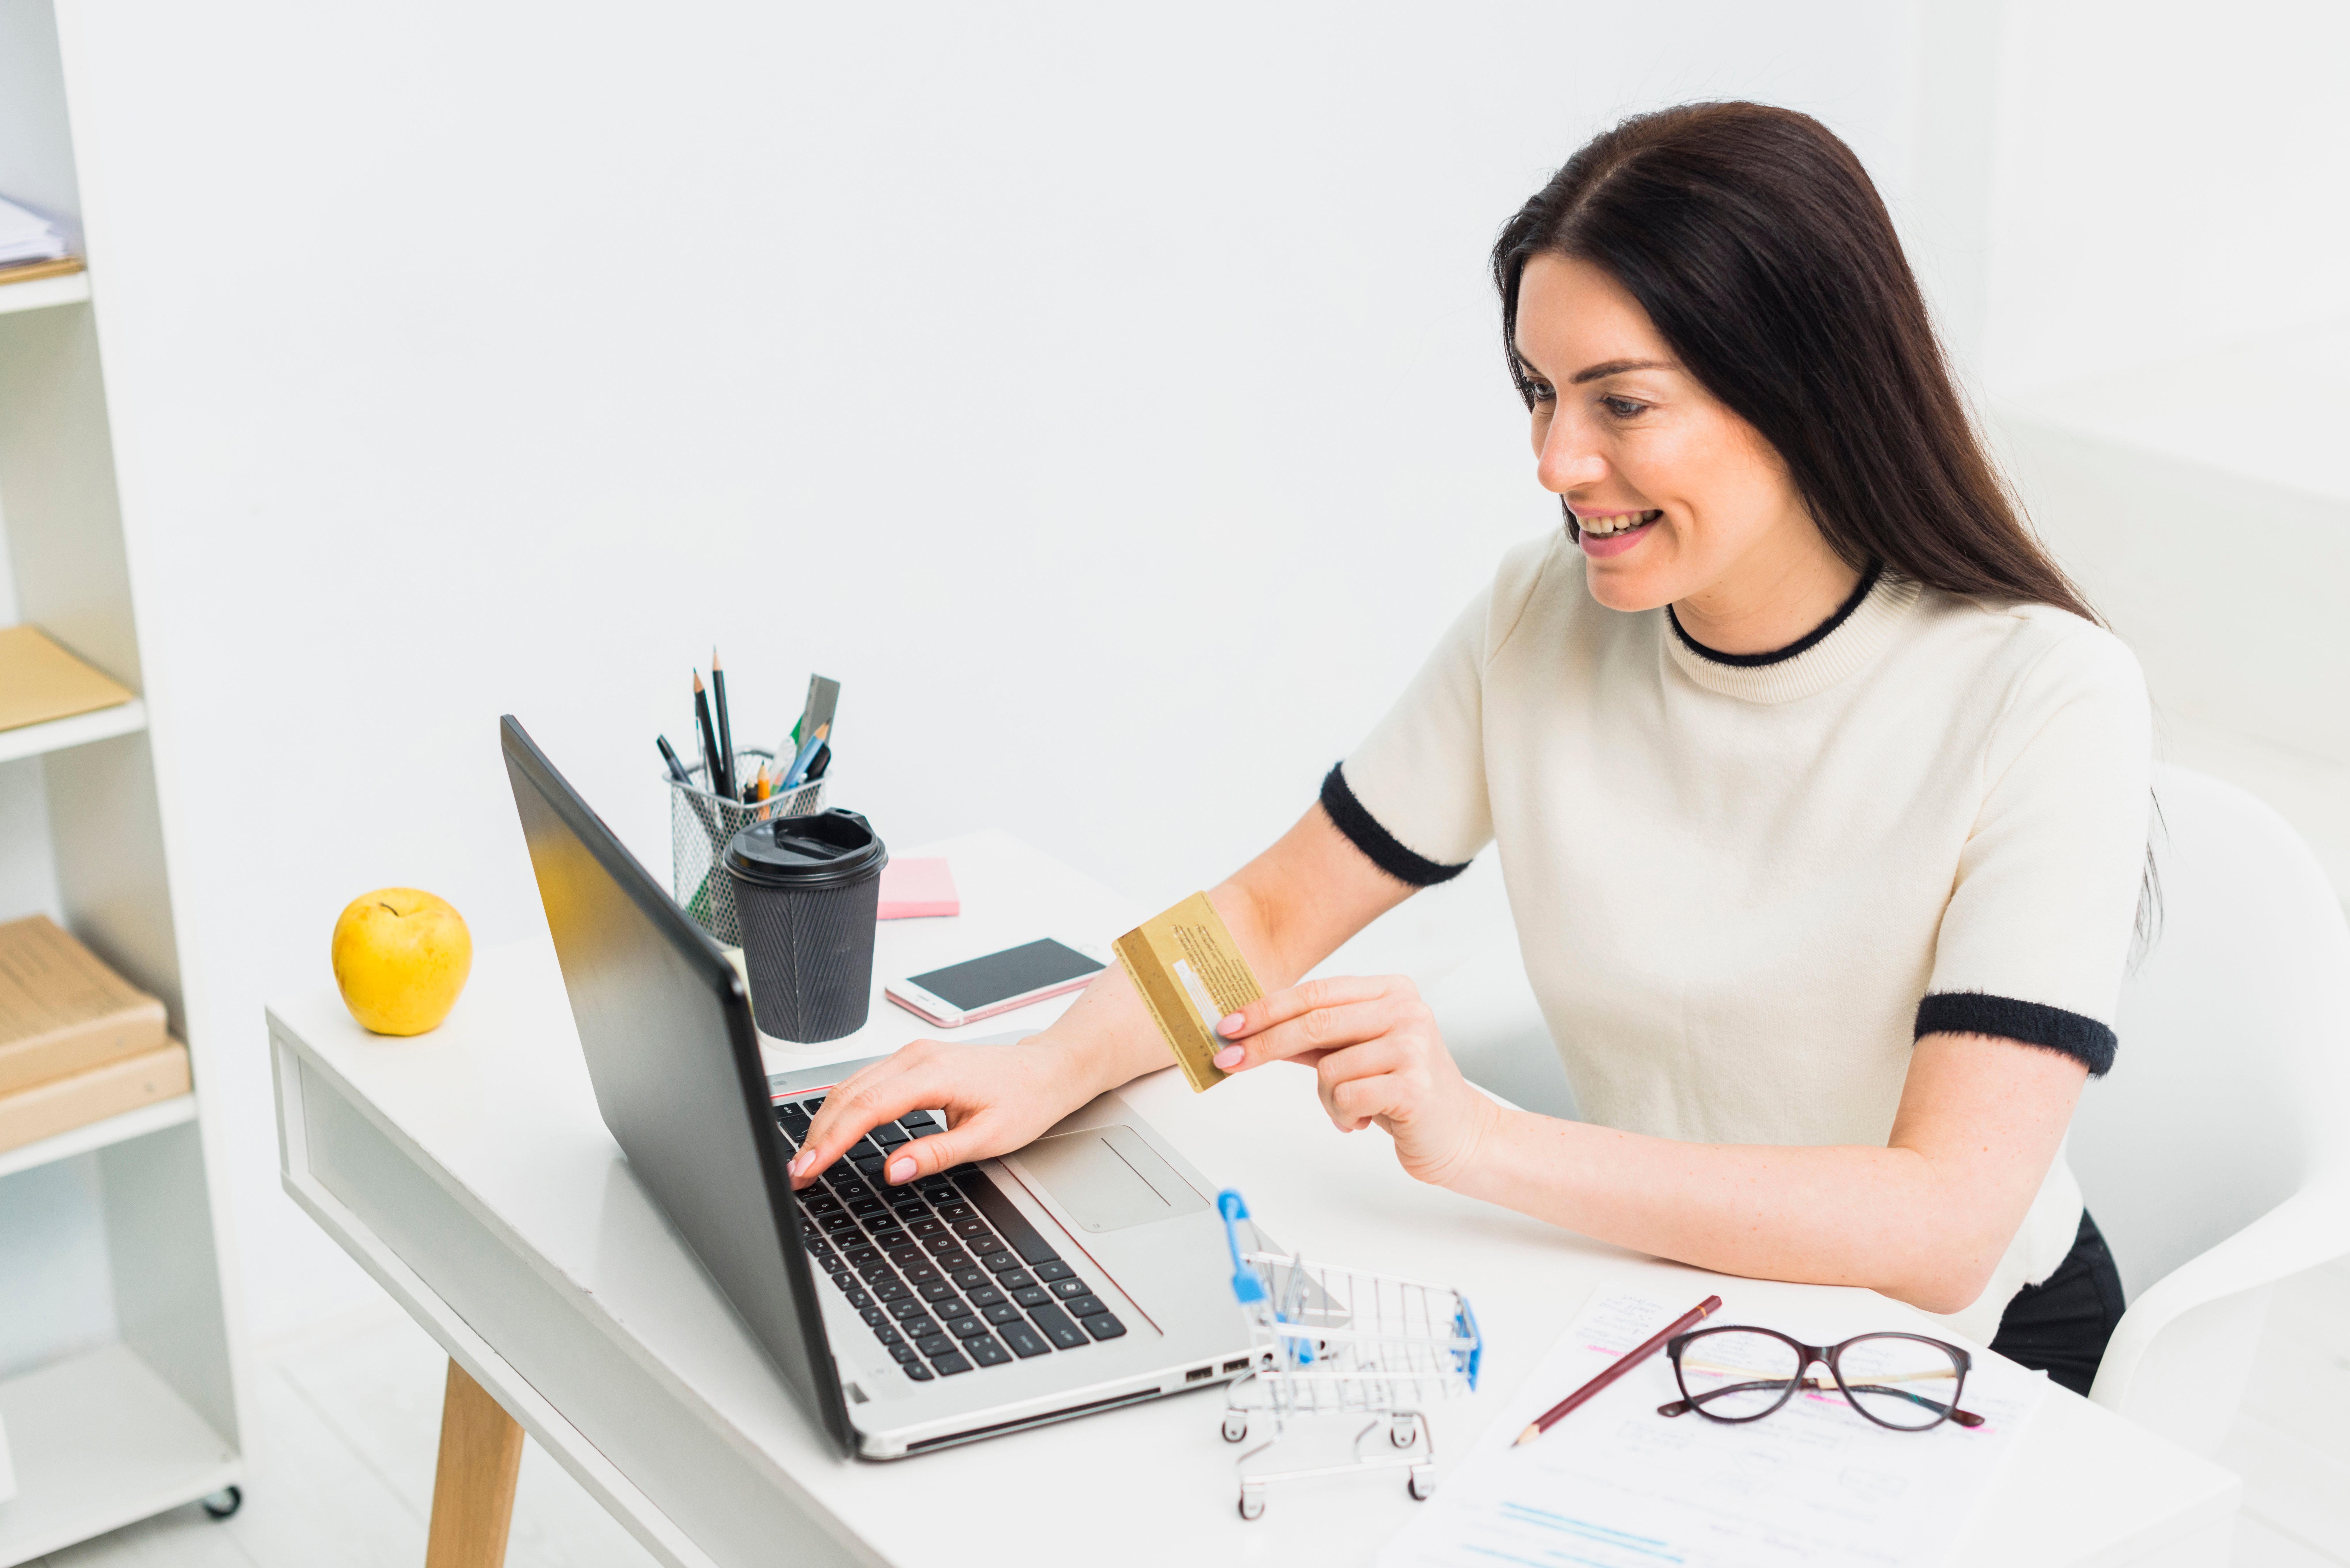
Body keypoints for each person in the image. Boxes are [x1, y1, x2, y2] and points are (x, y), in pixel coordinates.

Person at [792, 101, 2148, 1394]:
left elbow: (1939, 1224)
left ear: (1801, 388)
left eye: (1620, 404)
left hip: (1948, 1354)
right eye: (1537, 392)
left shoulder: (2043, 696)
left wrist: (1480, 1139)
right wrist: (1045, 1066)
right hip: (1672, 1301)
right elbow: (1269, 912)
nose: (1556, 461)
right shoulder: (1540, 613)